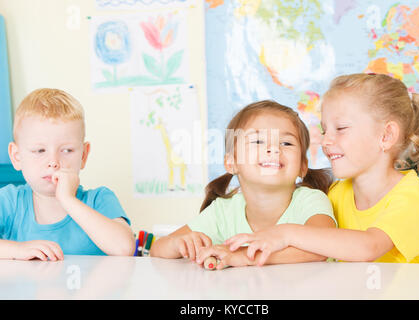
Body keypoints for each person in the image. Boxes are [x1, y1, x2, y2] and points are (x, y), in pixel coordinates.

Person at [226, 73, 419, 265]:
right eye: (325, 130)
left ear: (386, 136)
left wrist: (286, 233)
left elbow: (368, 248)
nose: (325, 141)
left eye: (341, 128)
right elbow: (315, 249)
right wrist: (241, 256)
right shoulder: (337, 193)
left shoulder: (412, 195)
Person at [150, 100, 337, 269]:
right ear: (231, 162)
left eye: (286, 143)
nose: (273, 148)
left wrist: (243, 257)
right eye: (257, 141)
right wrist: (178, 244)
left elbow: (324, 247)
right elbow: (157, 249)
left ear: (302, 167)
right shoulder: (222, 211)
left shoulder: (311, 201)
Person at [0, 88, 136, 260]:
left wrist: (68, 199)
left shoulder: (99, 199)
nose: (53, 161)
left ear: (84, 155)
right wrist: (18, 250)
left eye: (67, 150)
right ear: (16, 156)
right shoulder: (9, 202)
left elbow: (124, 248)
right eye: (40, 150)